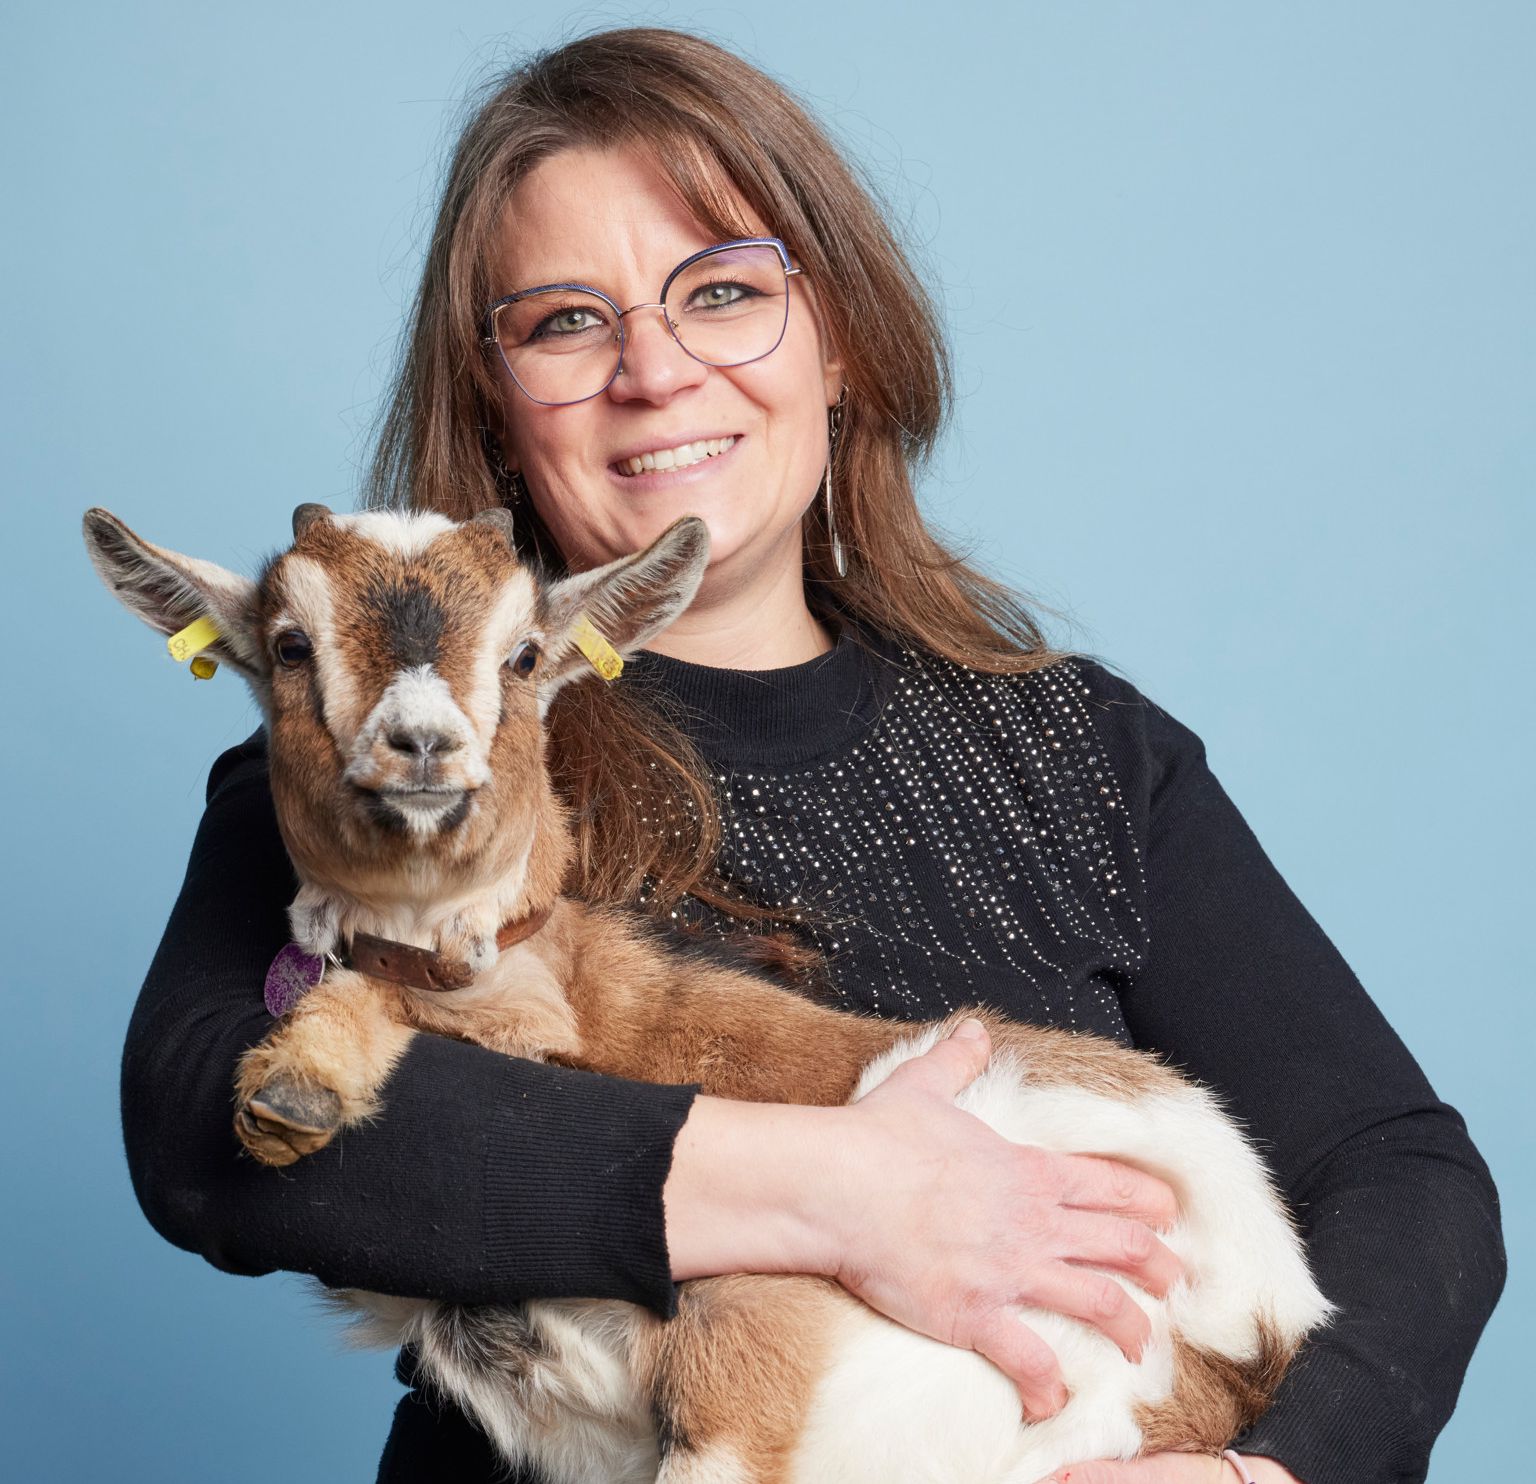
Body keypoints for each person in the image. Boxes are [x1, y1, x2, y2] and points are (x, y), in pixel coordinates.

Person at [124, 28, 1503, 1484]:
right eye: (565, 322)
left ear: (836, 341)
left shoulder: (1081, 755)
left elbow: (1403, 1174)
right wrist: (837, 1192)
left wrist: (1261, 1475)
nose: (655, 371)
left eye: (722, 291)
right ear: (495, 407)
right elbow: (212, 1128)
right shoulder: (384, 775)